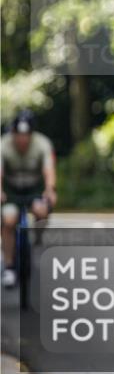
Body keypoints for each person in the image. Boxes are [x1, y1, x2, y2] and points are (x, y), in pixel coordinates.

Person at [1, 110, 57, 288]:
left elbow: (49, 171)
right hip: (11, 190)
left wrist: (50, 190)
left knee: (42, 210)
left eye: (26, 135)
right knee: (9, 219)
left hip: (34, 188)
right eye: (19, 135)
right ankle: (9, 266)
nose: (22, 140)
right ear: (13, 133)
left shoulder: (42, 144)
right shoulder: (4, 145)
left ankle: (38, 240)